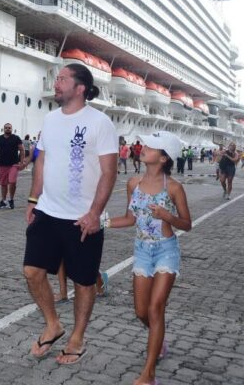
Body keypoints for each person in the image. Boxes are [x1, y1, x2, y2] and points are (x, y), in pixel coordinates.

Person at [22, 63, 117, 365]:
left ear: (80, 88)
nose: (56, 82)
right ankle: (53, 324)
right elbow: (41, 161)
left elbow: (109, 172)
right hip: (48, 211)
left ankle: (77, 337)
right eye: (56, 78)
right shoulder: (50, 120)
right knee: (32, 272)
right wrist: (33, 198)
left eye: (62, 79)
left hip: (82, 218)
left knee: (83, 282)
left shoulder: (100, 123)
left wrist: (94, 213)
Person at [106, 131, 191, 385]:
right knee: (141, 311)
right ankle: (159, 337)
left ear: (164, 158)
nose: (144, 148)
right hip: (141, 250)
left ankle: (149, 374)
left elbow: (187, 224)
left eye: (152, 147)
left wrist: (167, 216)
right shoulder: (133, 183)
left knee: (156, 309)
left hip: (166, 249)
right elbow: (130, 219)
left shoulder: (174, 187)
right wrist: (101, 223)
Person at [0, 123, 25, 210]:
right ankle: (3, 201)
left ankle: (11, 199)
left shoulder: (16, 138)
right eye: (6, 128)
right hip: (1, 164)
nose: (7, 129)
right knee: (3, 184)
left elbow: (22, 150)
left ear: (12, 129)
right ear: (3, 129)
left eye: (9, 128)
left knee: (12, 181)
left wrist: (22, 162)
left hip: (13, 164)